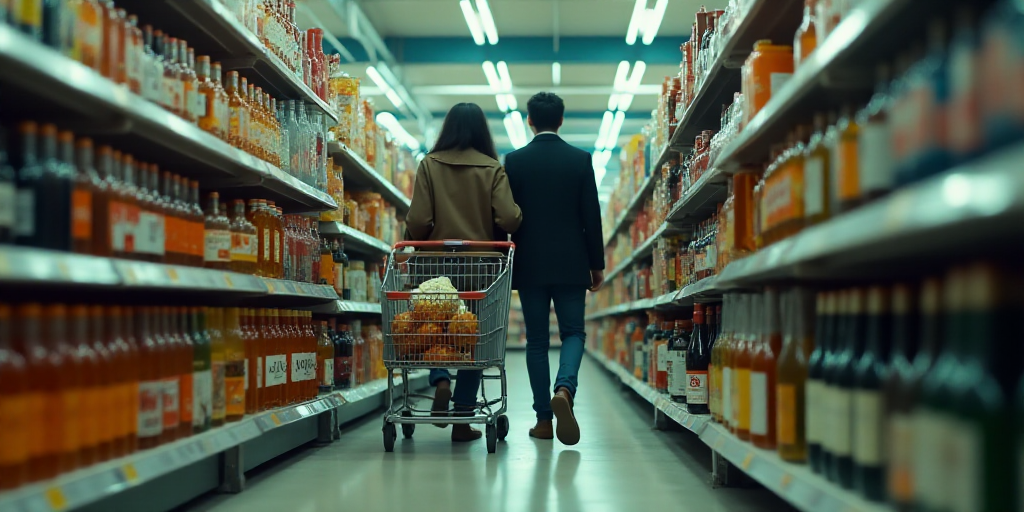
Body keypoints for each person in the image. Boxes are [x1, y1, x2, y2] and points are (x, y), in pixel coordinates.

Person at [404, 102, 522, 442]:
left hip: (434, 265)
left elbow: (419, 220)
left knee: (432, 329)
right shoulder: (492, 169)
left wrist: (414, 240)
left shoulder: (429, 165)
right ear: (482, 131)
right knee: (475, 338)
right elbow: (509, 218)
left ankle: (440, 378)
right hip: (481, 268)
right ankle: (462, 415)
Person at [503, 92, 604, 446]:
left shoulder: (513, 162)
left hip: (530, 262)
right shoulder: (580, 160)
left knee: (536, 341)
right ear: (561, 120)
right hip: (572, 261)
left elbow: (506, 215)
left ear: (529, 120)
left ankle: (543, 420)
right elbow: (591, 216)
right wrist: (596, 265)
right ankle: (564, 388)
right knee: (574, 333)